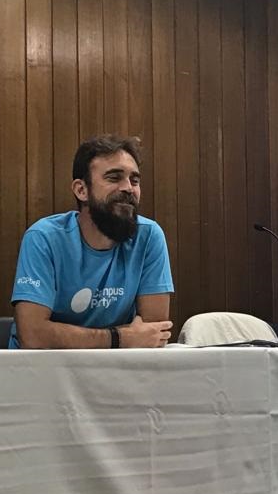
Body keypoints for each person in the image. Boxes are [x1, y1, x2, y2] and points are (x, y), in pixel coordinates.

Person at [10, 134, 173, 349]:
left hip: (117, 370)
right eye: (114, 178)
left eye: (134, 180)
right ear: (81, 190)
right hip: (45, 370)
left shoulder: (149, 236)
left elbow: (153, 334)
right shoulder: (44, 237)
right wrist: (119, 338)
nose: (128, 188)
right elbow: (33, 335)